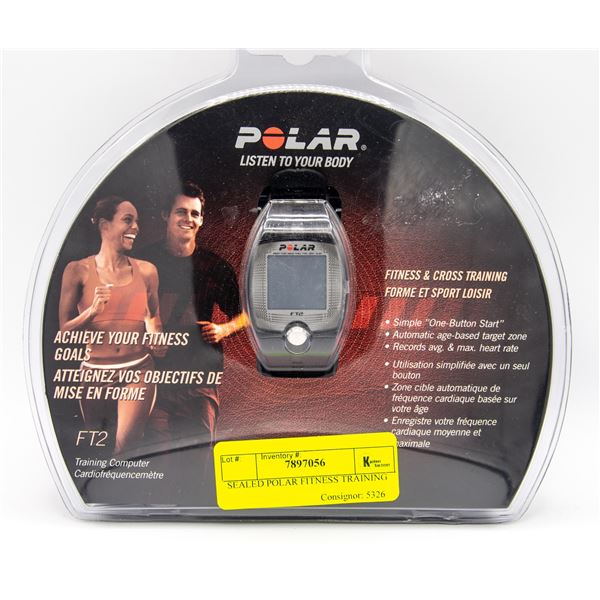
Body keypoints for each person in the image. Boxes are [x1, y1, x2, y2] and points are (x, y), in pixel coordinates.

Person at [138, 181, 247, 501]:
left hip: (200, 377)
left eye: (195, 214)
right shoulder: (141, 264)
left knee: (197, 458)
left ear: (201, 219)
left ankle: (192, 513)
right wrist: (146, 336)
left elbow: (247, 315)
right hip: (153, 378)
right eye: (181, 212)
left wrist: (223, 330)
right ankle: (154, 513)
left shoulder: (214, 266)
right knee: (154, 459)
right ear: (165, 215)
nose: (188, 219)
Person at [59, 196, 164, 457]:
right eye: (127, 220)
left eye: (137, 221)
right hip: (94, 372)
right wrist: (92, 311)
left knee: (126, 447)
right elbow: (64, 331)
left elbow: (153, 318)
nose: (136, 227)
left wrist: (158, 339)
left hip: (137, 369)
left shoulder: (147, 271)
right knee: (96, 447)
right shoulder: (77, 270)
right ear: (105, 226)